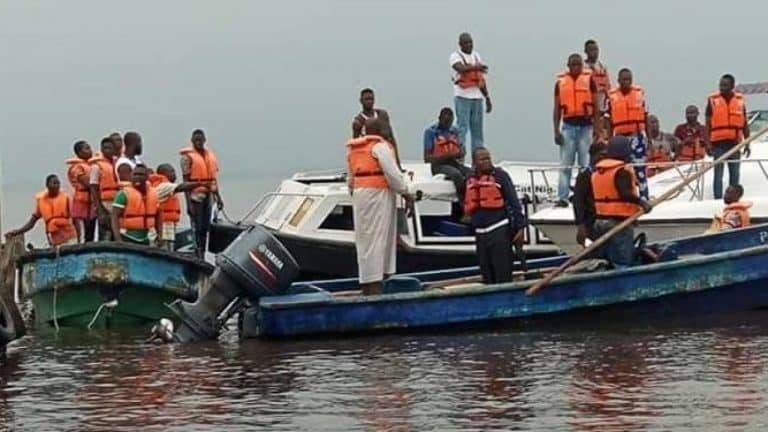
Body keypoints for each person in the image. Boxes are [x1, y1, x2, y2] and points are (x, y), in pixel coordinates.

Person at [347, 118, 416, 295]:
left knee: (365, 240)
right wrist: (406, 192)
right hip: (378, 195)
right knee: (379, 238)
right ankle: (375, 288)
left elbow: (350, 179)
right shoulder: (380, 147)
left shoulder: (354, 149)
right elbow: (393, 175)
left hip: (360, 195)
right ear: (379, 130)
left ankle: (366, 285)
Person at [463, 147, 527, 284]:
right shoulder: (469, 178)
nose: (487, 161)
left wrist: (521, 228)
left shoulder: (501, 176)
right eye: (482, 159)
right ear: (474, 162)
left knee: (502, 272)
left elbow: (514, 202)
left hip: (499, 230)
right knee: (486, 272)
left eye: (488, 158)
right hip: (480, 234)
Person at [591, 136, 652, 268]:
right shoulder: (620, 171)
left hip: (600, 222)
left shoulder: (598, 171)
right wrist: (643, 203)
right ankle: (621, 283)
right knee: (622, 261)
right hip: (618, 224)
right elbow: (624, 194)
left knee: (606, 259)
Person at [553, 53, 599, 207]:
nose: (576, 67)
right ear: (568, 65)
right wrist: (556, 131)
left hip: (586, 127)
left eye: (579, 64)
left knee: (585, 165)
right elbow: (557, 109)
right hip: (568, 127)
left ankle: (584, 197)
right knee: (566, 165)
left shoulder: (589, 80)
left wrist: (597, 129)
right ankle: (562, 197)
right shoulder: (560, 83)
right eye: (573, 64)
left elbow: (596, 106)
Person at [180, 129, 224, 258]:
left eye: (200, 139)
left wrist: (218, 197)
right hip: (195, 195)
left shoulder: (209, 155)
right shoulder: (187, 157)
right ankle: (197, 252)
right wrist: (189, 204)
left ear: (204, 140)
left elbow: (213, 179)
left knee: (205, 227)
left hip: (208, 195)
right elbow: (185, 181)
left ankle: (203, 253)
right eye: (196, 140)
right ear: (192, 141)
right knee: (197, 226)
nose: (198, 142)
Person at [706, 74, 750, 199]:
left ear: (732, 86)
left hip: (735, 142)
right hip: (718, 143)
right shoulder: (713, 101)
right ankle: (718, 198)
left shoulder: (740, 101)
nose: (722, 87)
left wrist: (747, 143)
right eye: (721, 85)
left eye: (725, 85)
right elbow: (708, 124)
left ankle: (734, 198)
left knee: (735, 173)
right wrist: (708, 144)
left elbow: (744, 123)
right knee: (718, 174)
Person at [607, 68, 650, 199]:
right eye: (624, 79)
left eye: (629, 79)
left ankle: (644, 197)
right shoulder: (611, 97)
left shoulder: (639, 94)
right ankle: (624, 197)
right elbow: (608, 121)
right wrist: (609, 140)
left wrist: (648, 137)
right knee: (621, 169)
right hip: (619, 138)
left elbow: (646, 116)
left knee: (640, 167)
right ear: (618, 81)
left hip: (636, 136)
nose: (627, 82)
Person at [5, 175, 77, 247]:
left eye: (58, 183)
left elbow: (75, 219)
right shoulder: (42, 201)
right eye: (54, 183)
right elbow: (32, 222)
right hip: (53, 240)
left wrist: (79, 239)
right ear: (47, 185)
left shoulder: (66, 198)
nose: (57, 186)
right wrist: (18, 231)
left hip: (69, 238)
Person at [149, 164, 207, 250]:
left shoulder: (165, 186)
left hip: (168, 229)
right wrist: (200, 183)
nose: (175, 174)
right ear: (163, 173)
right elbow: (181, 187)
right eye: (171, 172)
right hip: (162, 230)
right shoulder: (163, 186)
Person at [450, 32, 492, 152]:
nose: (469, 45)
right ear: (460, 44)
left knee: (477, 130)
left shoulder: (476, 56)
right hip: (462, 96)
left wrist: (487, 97)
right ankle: (460, 157)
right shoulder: (455, 56)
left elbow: (480, 79)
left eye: (470, 42)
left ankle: (478, 159)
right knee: (462, 128)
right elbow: (460, 68)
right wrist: (476, 67)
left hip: (477, 97)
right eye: (466, 43)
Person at [423, 107, 471, 207]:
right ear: (439, 118)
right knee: (456, 174)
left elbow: (461, 149)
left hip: (454, 162)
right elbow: (427, 158)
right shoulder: (430, 132)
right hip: (438, 165)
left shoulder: (454, 131)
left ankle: (473, 200)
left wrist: (461, 152)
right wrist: (446, 156)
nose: (447, 124)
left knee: (472, 173)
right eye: (445, 120)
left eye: (449, 121)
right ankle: (463, 203)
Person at [351, 89, 401, 169]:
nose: (369, 102)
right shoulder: (358, 121)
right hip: (371, 158)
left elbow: (392, 138)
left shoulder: (382, 114)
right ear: (361, 101)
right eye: (367, 99)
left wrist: (397, 163)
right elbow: (355, 147)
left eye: (371, 99)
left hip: (387, 155)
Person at [111, 163, 159, 245]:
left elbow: (158, 216)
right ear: (131, 176)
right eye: (135, 174)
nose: (137, 177)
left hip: (147, 237)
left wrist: (160, 236)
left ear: (147, 177)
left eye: (141, 175)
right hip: (127, 236)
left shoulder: (154, 193)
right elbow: (114, 216)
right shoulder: (123, 194)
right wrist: (118, 239)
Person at [572, 141, 608, 247]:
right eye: (601, 155)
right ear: (593, 156)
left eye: (606, 155)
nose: (604, 158)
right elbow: (578, 202)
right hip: (590, 223)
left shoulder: (605, 175)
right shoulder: (584, 176)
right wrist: (580, 225)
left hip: (605, 222)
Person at [89, 137, 120, 241]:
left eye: (110, 148)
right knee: (105, 232)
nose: (107, 150)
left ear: (114, 150)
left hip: (118, 202)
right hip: (105, 203)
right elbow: (93, 188)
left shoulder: (118, 164)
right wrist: (100, 209)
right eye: (105, 148)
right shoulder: (96, 166)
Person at [66, 140, 96, 242]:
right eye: (86, 148)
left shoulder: (92, 165)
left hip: (92, 202)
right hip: (81, 202)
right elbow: (87, 183)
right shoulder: (77, 168)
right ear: (79, 153)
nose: (90, 150)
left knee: (91, 233)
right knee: (83, 234)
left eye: (90, 148)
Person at [583, 39, 611, 113]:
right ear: (586, 51)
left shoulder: (602, 67)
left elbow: (608, 87)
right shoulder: (582, 67)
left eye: (596, 49)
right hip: (587, 107)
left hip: (602, 106)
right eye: (591, 50)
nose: (595, 52)